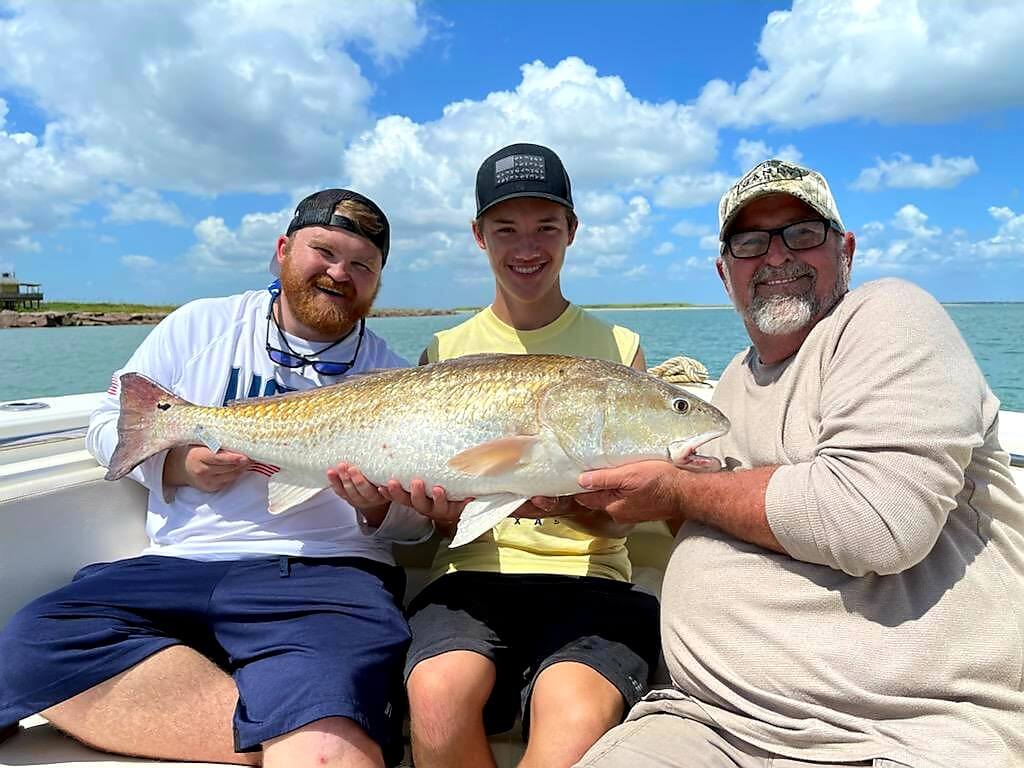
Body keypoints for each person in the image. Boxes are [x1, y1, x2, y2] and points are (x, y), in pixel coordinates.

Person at [567, 159, 1024, 768]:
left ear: (847, 249)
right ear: (724, 272)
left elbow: (876, 521)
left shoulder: (887, 317)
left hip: (898, 729)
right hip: (706, 720)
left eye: (802, 234)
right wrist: (588, 506)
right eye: (751, 243)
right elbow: (716, 515)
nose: (777, 256)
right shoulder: (727, 386)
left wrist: (678, 492)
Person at [0, 189, 434, 768]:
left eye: (362, 265)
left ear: (378, 281)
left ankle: (308, 725)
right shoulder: (200, 323)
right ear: (282, 250)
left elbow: (415, 530)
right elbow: (110, 423)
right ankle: (290, 725)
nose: (339, 273)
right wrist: (174, 465)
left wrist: (379, 510)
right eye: (324, 252)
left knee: (333, 735)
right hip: (175, 565)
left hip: (324, 576)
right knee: (31, 638)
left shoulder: (397, 378)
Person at [387, 142, 661, 768]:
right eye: (506, 229)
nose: (527, 248)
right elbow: (446, 519)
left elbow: (623, 518)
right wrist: (436, 510)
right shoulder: (444, 348)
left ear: (572, 232)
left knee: (573, 714)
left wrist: (578, 508)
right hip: (469, 580)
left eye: (546, 227)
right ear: (479, 236)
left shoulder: (619, 348)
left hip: (592, 582)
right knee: (435, 695)